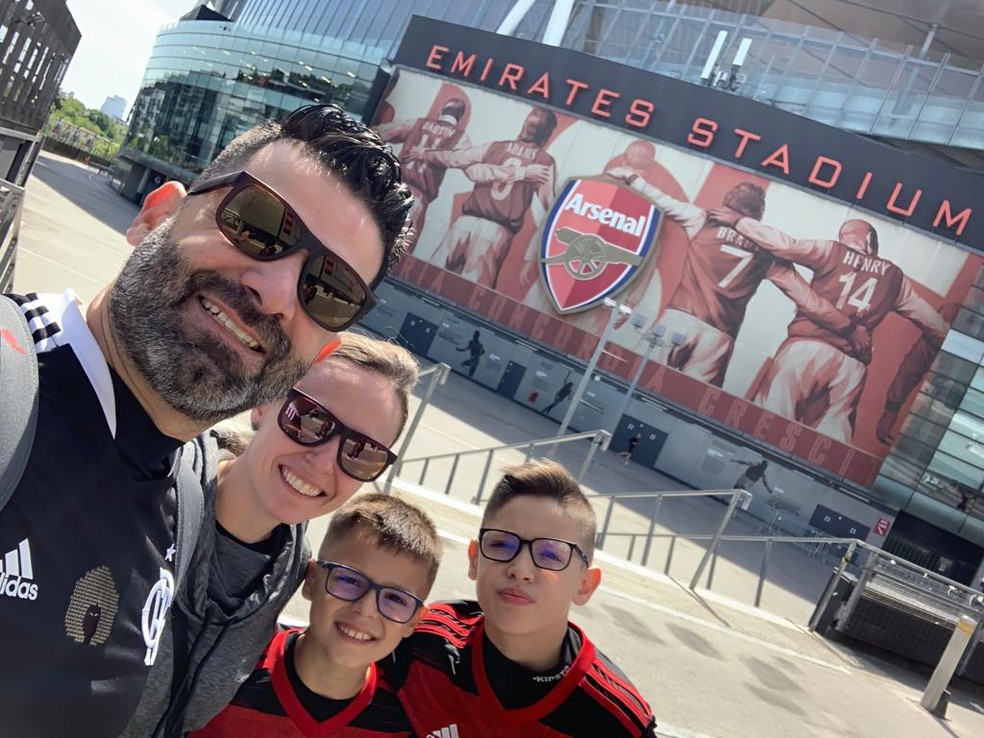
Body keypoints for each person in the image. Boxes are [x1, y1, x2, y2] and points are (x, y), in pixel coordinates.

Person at [0, 103, 413, 737]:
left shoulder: (186, 499)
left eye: (327, 291)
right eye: (258, 222)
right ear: (156, 213)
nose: (275, 293)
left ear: (317, 352)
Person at [122, 333, 419, 736]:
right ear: (264, 402)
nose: (323, 460)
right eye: (310, 419)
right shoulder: (148, 487)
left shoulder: (289, 569)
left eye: (361, 453)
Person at [384, 460, 658, 736]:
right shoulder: (421, 642)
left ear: (584, 585)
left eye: (551, 555)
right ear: (475, 559)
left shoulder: (616, 722)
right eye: (501, 544)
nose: (520, 570)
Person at [188, 493, 441, 737]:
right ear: (310, 580)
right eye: (349, 580)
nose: (366, 608)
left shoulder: (402, 724)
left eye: (396, 598)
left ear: (415, 621)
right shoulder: (226, 675)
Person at [607, 168, 869, 388]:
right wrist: (848, 327)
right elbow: (808, 299)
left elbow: (660, 199)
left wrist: (632, 178)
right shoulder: (768, 254)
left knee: (634, 381)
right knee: (686, 401)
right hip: (719, 338)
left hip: (679, 317)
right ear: (757, 216)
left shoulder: (701, 220)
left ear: (726, 202)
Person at [709, 209, 949, 442]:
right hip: (851, 367)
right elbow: (938, 329)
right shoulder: (896, 278)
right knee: (831, 439)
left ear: (845, 238)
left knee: (767, 420)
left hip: (805, 348)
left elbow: (786, 246)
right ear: (870, 241)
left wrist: (740, 222)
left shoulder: (832, 251)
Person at [411, 106, 557, 289]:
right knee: (468, 292)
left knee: (428, 279)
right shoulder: (544, 162)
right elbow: (550, 206)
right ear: (547, 134)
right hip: (497, 231)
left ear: (525, 123)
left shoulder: (495, 146)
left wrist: (425, 154)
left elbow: (455, 158)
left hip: (465, 222)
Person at [376, 97, 471, 249]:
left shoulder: (419, 123)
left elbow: (382, 132)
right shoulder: (460, 137)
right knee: (400, 248)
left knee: (374, 231)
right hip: (418, 196)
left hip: (393, 186)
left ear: (441, 111)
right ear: (459, 118)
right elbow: (466, 159)